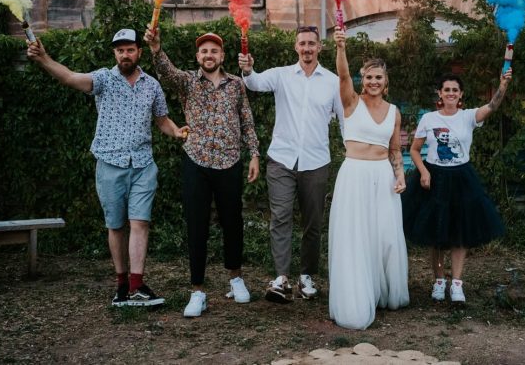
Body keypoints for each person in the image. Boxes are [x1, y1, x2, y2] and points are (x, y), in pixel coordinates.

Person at [27, 28, 187, 307]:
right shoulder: (103, 79)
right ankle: (121, 285)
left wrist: (176, 132)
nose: (125, 55)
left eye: (130, 49)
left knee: (140, 223)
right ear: (115, 53)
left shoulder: (152, 85)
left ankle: (137, 285)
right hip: (110, 164)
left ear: (139, 51)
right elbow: (68, 77)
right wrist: (44, 59)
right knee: (115, 226)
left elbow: (162, 120)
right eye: (120, 50)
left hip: (143, 165)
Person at [145, 28, 260, 318]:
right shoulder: (187, 82)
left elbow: (247, 121)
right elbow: (166, 72)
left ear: (222, 56)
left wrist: (255, 154)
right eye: (204, 51)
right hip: (196, 160)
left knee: (233, 223)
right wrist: (156, 48)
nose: (209, 55)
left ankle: (236, 279)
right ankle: (197, 291)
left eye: (214, 51)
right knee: (197, 226)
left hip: (230, 161)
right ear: (198, 57)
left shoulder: (236, 85)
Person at [238, 26, 344, 303]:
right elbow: (254, 83)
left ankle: (307, 276)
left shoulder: (332, 82)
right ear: (295, 47)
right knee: (281, 217)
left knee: (313, 222)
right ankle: (281, 278)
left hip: (316, 161)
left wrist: (352, 151)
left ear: (320, 47)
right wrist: (248, 70)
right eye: (302, 43)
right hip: (282, 160)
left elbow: (344, 120)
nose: (307, 48)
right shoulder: (281, 75)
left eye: (312, 43)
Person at [402, 72, 510, 304]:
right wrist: (423, 171)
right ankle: (439, 281)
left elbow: (492, 106)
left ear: (461, 94)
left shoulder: (468, 116)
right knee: (437, 234)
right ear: (440, 94)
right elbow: (414, 150)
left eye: (455, 90)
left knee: (460, 233)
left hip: (461, 178)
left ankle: (457, 284)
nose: (450, 93)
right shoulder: (428, 119)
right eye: (446, 89)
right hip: (434, 178)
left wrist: (502, 85)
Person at [328, 26, 409, 330]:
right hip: (354, 176)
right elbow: (343, 77)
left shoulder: (394, 111)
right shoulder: (351, 102)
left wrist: (400, 176)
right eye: (369, 77)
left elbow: (395, 150)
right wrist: (340, 47)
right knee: (356, 236)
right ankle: (356, 297)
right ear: (363, 80)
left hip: (383, 178)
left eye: (379, 77)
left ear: (386, 82)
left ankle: (383, 291)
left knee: (385, 236)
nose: (373, 82)